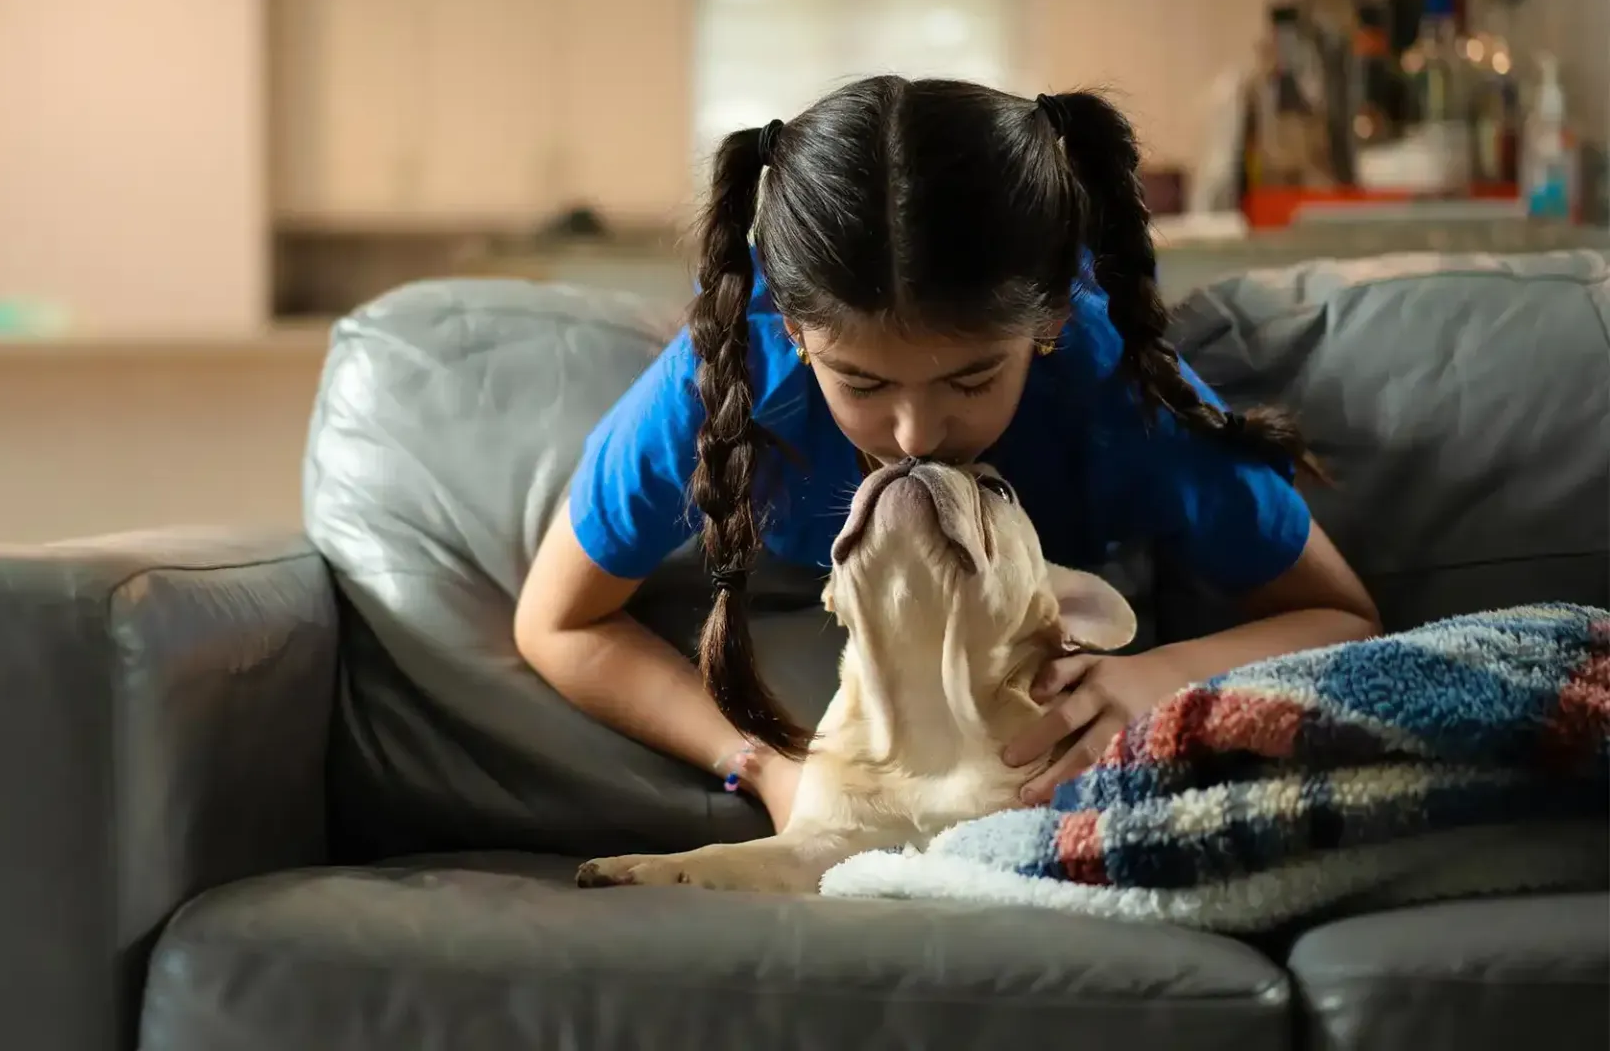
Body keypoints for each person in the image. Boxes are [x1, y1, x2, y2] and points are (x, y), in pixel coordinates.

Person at [513, 76, 1381, 832]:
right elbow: (557, 620)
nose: (914, 437)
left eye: (970, 382)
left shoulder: (1108, 391)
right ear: (797, 332)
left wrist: (1164, 677)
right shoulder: (735, 373)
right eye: (861, 383)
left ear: (1047, 325)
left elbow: (1343, 615)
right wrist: (768, 766)